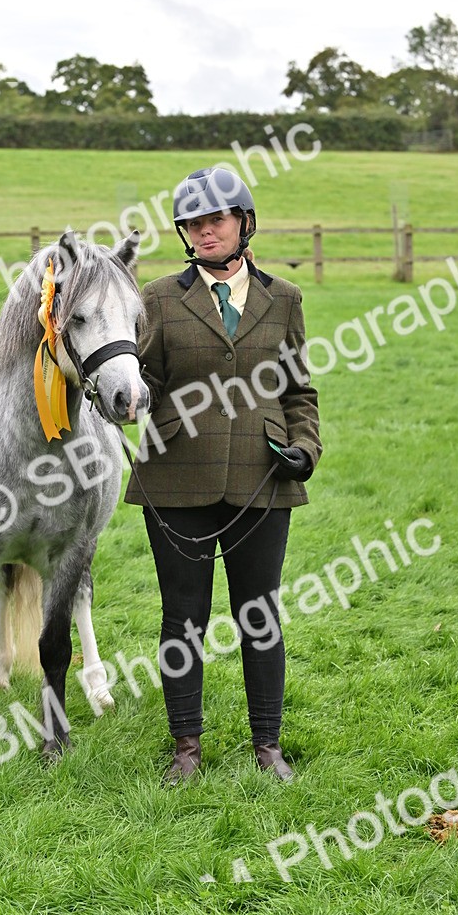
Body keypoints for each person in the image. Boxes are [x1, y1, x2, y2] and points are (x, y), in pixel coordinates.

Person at [123, 166, 322, 784]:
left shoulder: (284, 298)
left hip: (264, 477)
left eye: (215, 220)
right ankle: (186, 747)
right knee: (182, 617)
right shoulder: (156, 298)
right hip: (176, 476)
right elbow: (146, 382)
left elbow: (298, 390)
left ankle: (268, 745)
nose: (204, 232)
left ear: (243, 223)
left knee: (259, 613)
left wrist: (306, 447)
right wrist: (123, 397)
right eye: (193, 224)